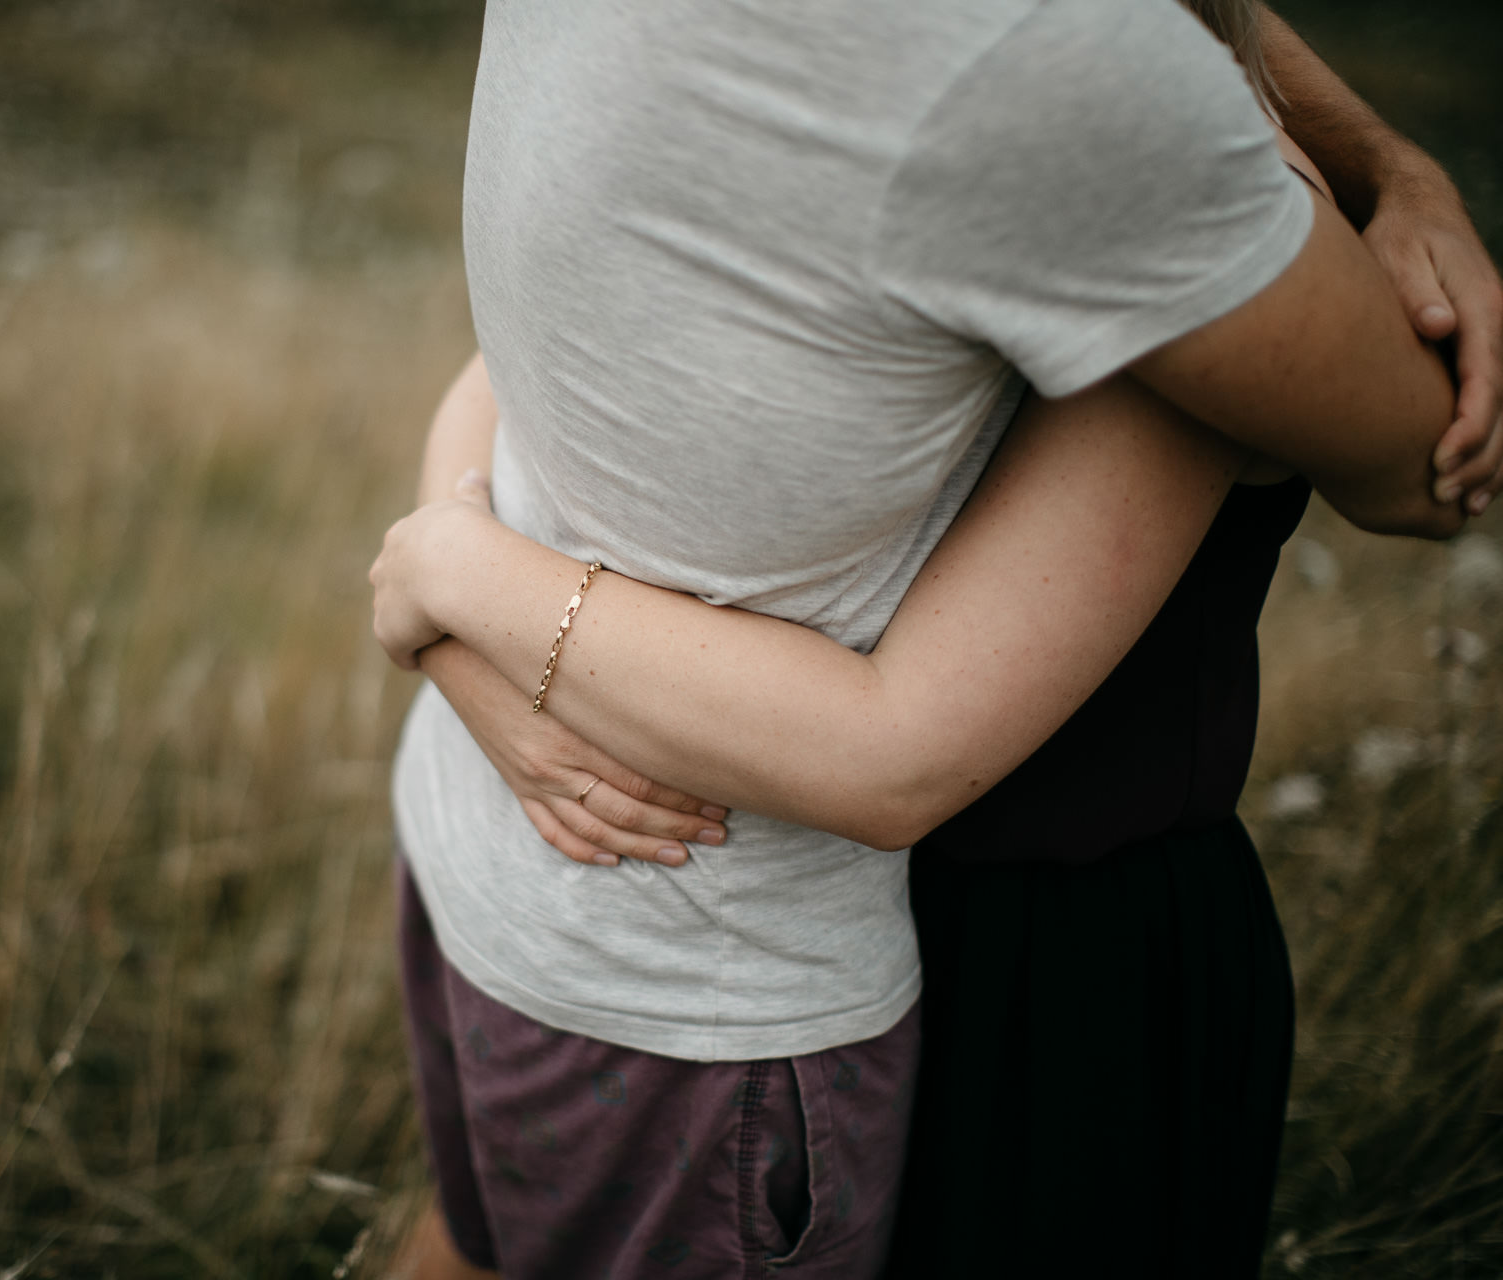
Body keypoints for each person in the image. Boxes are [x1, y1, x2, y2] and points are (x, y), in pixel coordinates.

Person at [373, 2, 1503, 1277]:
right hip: (830, 958)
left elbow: (548, 348)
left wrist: (448, 572)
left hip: (526, 861)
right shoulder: (1074, 103)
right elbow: (1426, 461)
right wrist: (445, 574)